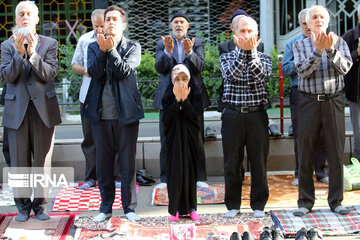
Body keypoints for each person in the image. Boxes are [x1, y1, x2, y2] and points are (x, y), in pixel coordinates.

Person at [0, 1, 61, 222]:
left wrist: (33, 54)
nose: (25, 17)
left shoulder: (49, 43)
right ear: (16, 19)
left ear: (36, 19)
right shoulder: (6, 46)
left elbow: (49, 73)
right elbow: (7, 76)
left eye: (29, 14)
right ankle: (23, 207)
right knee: (18, 162)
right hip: (17, 110)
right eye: (21, 14)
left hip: (42, 109)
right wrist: (18, 54)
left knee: (42, 161)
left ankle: (41, 206)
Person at [82, 5, 143, 222]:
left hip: (126, 115)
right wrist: (102, 49)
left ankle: (129, 208)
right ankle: (105, 208)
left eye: (115, 19)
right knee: (104, 164)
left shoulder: (133, 47)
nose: (111, 22)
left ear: (123, 25)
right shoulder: (92, 47)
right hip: (100, 115)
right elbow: (94, 72)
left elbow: (124, 71)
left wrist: (111, 50)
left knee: (127, 164)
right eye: (108, 19)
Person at [292, 5, 352, 217]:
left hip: (333, 101)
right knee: (306, 152)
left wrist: (329, 49)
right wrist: (318, 50)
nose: (318, 20)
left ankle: (336, 201)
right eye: (314, 17)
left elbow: (345, 68)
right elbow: (303, 72)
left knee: (336, 153)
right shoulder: (300, 45)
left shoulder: (340, 42)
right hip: (308, 102)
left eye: (322, 17)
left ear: (327, 22)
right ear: (307, 23)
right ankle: (305, 202)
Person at [219, 15, 271, 218]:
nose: (246, 34)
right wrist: (243, 53)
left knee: (259, 162)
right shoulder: (227, 57)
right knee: (232, 162)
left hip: (257, 115)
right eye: (243, 31)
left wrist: (252, 54)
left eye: (250, 31)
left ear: (257, 36)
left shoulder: (264, 58)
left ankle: (258, 205)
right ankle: (233, 204)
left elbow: (261, 76)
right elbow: (231, 75)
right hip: (233, 115)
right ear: (235, 34)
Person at [153, 11, 211, 190]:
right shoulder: (162, 43)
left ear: (188, 26)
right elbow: (160, 68)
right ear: (171, 26)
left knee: (196, 137)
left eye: (182, 22)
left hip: (192, 96)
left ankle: (199, 176)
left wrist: (190, 52)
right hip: (168, 97)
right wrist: (168, 52)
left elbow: (200, 67)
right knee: (166, 137)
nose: (178, 25)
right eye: (175, 22)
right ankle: (165, 178)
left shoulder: (197, 42)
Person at [72, 9, 122, 190]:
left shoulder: (116, 40)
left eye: (103, 25)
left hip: (111, 97)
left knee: (114, 138)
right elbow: (75, 64)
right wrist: (86, 71)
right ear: (92, 23)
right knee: (90, 138)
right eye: (97, 26)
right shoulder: (85, 40)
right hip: (89, 95)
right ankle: (91, 177)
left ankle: (116, 176)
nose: (100, 29)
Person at [281, 8, 329, 186]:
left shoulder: (327, 41)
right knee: (302, 135)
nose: (308, 27)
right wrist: (303, 60)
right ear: (302, 24)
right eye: (304, 24)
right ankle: (301, 173)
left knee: (323, 133)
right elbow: (285, 69)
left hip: (323, 92)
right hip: (300, 92)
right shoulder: (293, 43)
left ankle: (322, 172)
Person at [163, 64, 202, 221]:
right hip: (174, 143)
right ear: (172, 80)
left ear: (189, 80)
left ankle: (192, 208)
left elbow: (195, 117)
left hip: (189, 143)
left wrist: (184, 101)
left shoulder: (195, 94)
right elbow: (166, 119)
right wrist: (176, 102)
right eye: (177, 79)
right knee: (175, 175)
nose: (180, 82)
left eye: (184, 79)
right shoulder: (167, 95)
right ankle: (175, 210)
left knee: (190, 175)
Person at [342, 4, 360, 160]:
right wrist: (357, 54)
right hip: (357, 95)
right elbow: (340, 63)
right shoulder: (349, 36)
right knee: (359, 135)